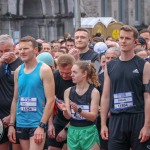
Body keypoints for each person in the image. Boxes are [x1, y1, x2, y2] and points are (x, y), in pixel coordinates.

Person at [101, 25, 150, 150]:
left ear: (135, 42)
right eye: (121, 38)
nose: (123, 41)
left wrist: (147, 126)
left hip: (138, 117)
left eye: (127, 38)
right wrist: (103, 124)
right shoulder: (110, 66)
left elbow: (147, 97)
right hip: (117, 118)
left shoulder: (144, 65)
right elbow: (106, 96)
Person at [8, 36, 55, 150]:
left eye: (26, 49)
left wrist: (42, 125)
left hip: (37, 123)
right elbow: (15, 99)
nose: (22, 52)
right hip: (21, 122)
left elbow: (51, 100)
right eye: (20, 49)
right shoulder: (18, 71)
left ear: (35, 50)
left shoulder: (44, 70)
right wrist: (11, 125)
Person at [57, 60, 100, 150]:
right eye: (72, 72)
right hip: (73, 131)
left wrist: (79, 110)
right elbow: (68, 117)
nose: (71, 75)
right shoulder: (68, 91)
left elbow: (93, 116)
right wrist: (65, 110)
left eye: (74, 72)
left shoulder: (94, 92)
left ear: (84, 73)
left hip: (89, 131)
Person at [48, 54, 75, 150]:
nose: (64, 75)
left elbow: (83, 109)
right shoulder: (55, 75)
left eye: (68, 73)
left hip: (77, 122)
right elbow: (50, 101)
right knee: (52, 147)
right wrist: (50, 123)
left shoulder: (79, 79)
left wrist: (66, 130)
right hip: (59, 118)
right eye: (61, 72)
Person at [0, 34, 22, 150]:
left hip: (18, 116)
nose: (4, 54)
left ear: (14, 47)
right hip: (1, 117)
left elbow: (25, 93)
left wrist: (12, 116)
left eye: (7, 50)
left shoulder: (22, 65)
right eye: (0, 51)